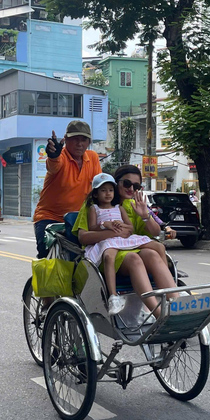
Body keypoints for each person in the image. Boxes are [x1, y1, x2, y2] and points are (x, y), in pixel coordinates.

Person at [75, 165, 178, 317]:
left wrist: (145, 215)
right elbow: (83, 236)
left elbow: (155, 232)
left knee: (153, 254)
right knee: (133, 258)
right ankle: (158, 314)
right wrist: (112, 232)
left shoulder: (133, 204)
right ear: (116, 183)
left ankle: (176, 304)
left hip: (132, 248)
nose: (131, 189)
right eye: (127, 184)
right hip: (109, 254)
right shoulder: (94, 206)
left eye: (136, 186)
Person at [33, 120, 102, 258]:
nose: (79, 143)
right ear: (66, 139)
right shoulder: (61, 156)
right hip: (49, 217)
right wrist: (53, 155)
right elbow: (53, 165)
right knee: (47, 256)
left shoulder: (93, 158)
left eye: (83, 139)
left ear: (89, 142)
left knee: (87, 257)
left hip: (78, 220)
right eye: (75, 139)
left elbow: (99, 188)